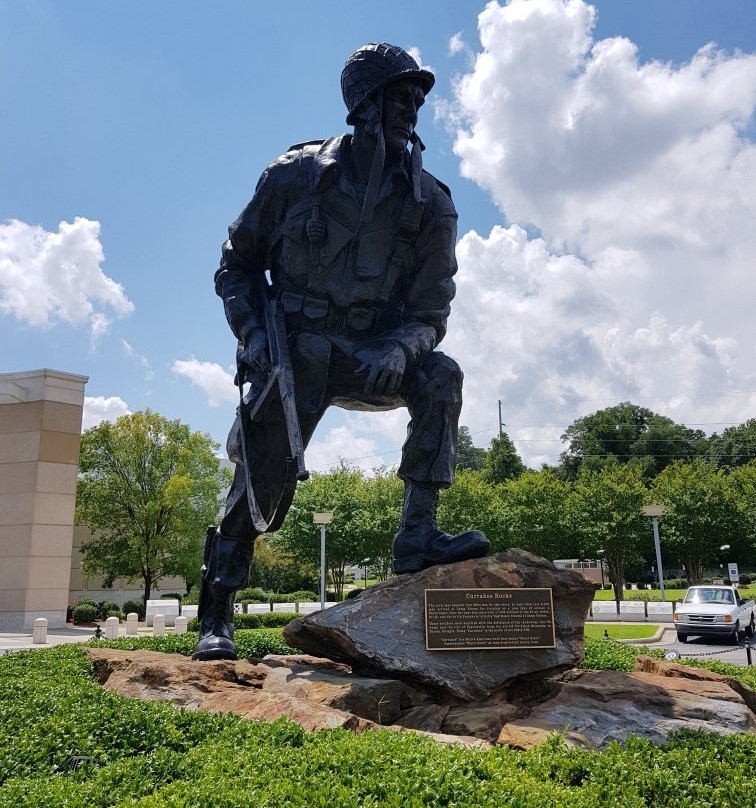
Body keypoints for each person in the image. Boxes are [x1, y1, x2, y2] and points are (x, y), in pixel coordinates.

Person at [193, 43, 489, 661]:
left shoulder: (431, 202)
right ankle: (216, 613)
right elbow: (236, 267)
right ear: (363, 104)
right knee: (260, 470)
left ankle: (417, 537)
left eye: (417, 99)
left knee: (442, 377)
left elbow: (432, 311)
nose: (411, 109)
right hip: (296, 350)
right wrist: (253, 339)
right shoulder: (292, 176)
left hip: (373, 355)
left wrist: (404, 347)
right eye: (399, 97)